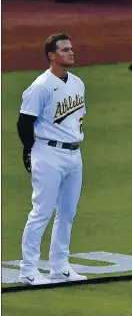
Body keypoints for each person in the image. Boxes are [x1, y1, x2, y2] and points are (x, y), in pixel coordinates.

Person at [17, 33, 88, 285]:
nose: (71, 52)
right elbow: (24, 123)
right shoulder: (41, 86)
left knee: (67, 212)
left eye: (71, 48)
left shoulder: (78, 83)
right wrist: (29, 150)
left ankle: (60, 266)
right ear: (51, 55)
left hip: (74, 154)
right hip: (48, 153)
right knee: (42, 212)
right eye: (65, 49)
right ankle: (28, 269)